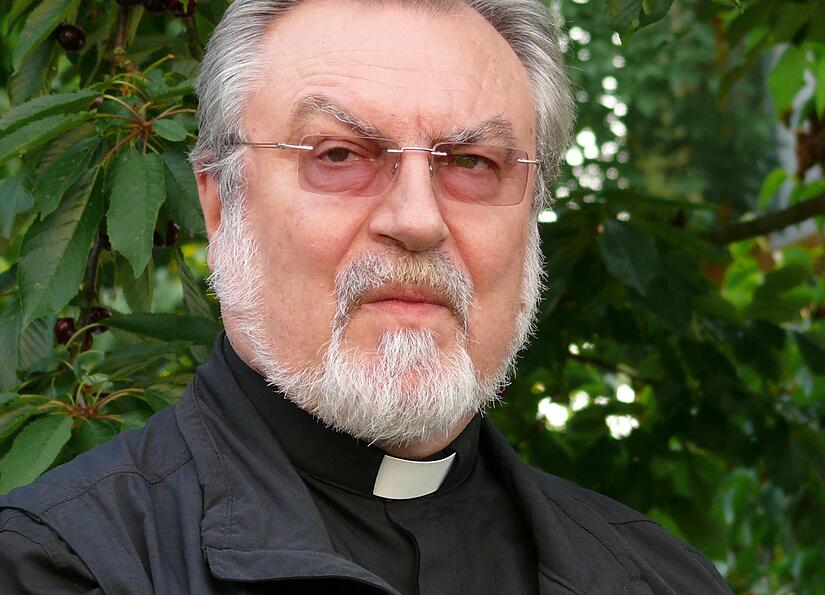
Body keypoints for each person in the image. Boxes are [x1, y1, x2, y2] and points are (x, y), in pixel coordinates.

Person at [0, 0, 732, 593]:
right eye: (339, 155)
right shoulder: (56, 566)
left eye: (472, 162)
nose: (416, 220)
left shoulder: (660, 579)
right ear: (219, 204)